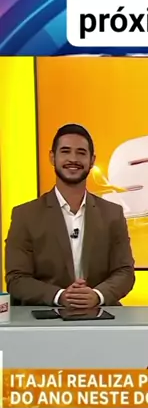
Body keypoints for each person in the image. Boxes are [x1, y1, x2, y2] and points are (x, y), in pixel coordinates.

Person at [5, 123, 135, 307]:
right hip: (43, 316)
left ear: (92, 160)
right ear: (52, 157)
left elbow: (125, 272)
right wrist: (59, 296)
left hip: (99, 315)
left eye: (81, 153)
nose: (73, 159)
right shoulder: (25, 215)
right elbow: (16, 279)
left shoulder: (113, 214)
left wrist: (97, 295)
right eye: (65, 151)